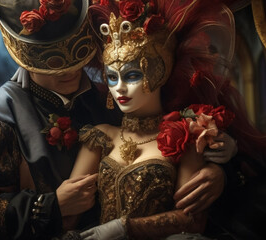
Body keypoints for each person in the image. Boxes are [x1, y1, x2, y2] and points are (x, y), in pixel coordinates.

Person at [0, 0, 233, 239]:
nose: (69, 71)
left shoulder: (112, 100)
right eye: (53, 65)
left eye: (76, 60)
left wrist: (218, 173)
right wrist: (50, 207)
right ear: (26, 57)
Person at [67, 0, 266, 239]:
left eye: (132, 75)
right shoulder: (99, 136)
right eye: (111, 77)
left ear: (159, 72)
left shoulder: (184, 136)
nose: (119, 88)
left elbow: (191, 221)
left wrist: (125, 228)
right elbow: (70, 213)